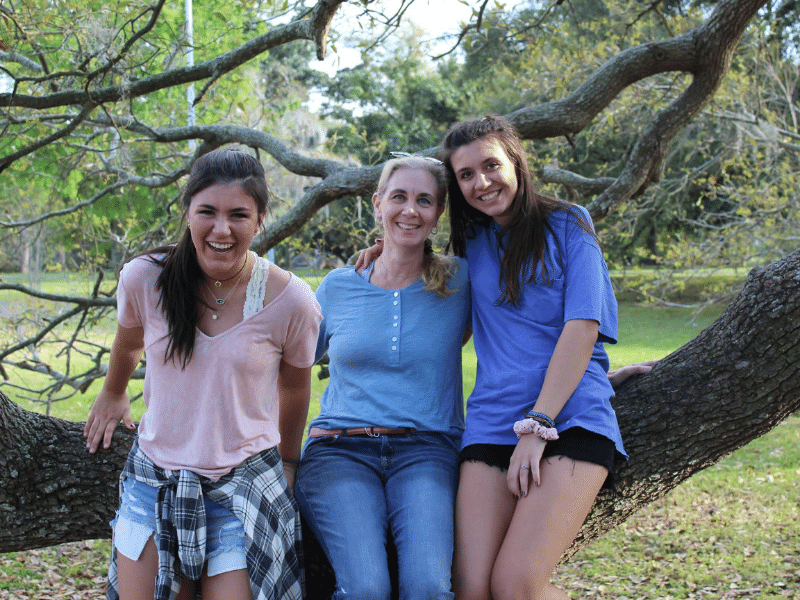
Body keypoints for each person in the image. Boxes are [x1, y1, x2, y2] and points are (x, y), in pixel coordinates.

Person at [357, 115, 642, 600]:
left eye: (491, 165)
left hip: (569, 420)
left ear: (516, 161)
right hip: (490, 423)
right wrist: (386, 245)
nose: (481, 182)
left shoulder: (569, 223)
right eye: (465, 174)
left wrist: (541, 422)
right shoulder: (473, 242)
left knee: (517, 585)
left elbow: (582, 327)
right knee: (470, 590)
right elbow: (426, 282)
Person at [83, 148, 322, 600]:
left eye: (238, 215)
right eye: (207, 212)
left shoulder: (292, 302)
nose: (221, 229)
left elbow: (294, 387)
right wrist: (114, 392)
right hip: (156, 480)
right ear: (188, 211)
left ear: (260, 219)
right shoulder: (144, 278)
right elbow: (129, 338)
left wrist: (288, 463)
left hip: (243, 487)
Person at [294, 155, 471, 600]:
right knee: (366, 589)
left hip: (427, 451)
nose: (410, 211)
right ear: (377, 204)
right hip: (339, 451)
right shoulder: (337, 286)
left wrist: (591, 378)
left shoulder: (461, 282)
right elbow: (283, 367)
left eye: (424, 201)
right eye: (399, 197)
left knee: (429, 587)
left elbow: (523, 332)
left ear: (438, 213)